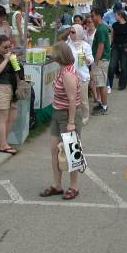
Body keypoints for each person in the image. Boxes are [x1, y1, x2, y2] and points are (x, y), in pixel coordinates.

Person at [40, 42, 82, 201]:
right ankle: (57, 185)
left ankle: (74, 186)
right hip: (57, 114)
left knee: (71, 152)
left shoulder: (68, 74)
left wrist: (71, 122)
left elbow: (72, 100)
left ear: (60, 56)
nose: (52, 56)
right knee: (55, 151)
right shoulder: (63, 70)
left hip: (68, 116)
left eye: (54, 54)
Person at [65, 24, 93, 124]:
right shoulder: (68, 43)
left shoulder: (85, 45)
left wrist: (86, 59)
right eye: (70, 32)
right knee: (71, 99)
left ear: (79, 33)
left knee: (83, 99)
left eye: (73, 32)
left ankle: (85, 117)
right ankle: (72, 117)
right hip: (70, 76)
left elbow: (91, 60)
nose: (71, 34)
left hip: (82, 76)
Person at [90, 7, 111, 114]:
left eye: (93, 16)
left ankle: (104, 106)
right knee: (99, 83)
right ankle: (102, 104)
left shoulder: (101, 29)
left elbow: (101, 46)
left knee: (102, 84)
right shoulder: (101, 27)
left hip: (101, 60)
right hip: (102, 59)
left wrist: (96, 62)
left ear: (98, 15)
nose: (92, 18)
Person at [108, 10, 127, 91]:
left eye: (116, 15)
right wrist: (111, 45)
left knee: (123, 67)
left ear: (120, 15)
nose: (115, 17)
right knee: (111, 66)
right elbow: (112, 36)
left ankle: (122, 84)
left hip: (125, 47)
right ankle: (109, 84)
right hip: (115, 46)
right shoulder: (114, 25)